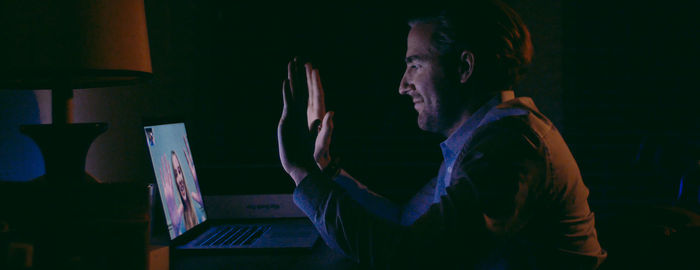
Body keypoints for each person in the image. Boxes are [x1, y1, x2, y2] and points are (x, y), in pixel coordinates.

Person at [277, 0, 606, 268]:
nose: (403, 85)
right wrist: (327, 168)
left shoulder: (510, 148)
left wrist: (302, 172)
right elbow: (406, 221)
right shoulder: (481, 138)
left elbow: (412, 257)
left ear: (464, 68)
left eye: (415, 65)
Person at [170, 150, 199, 230]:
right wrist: (176, 229)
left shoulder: (199, 211)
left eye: (179, 172)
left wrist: (203, 202)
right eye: (176, 174)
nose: (179, 179)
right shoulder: (179, 221)